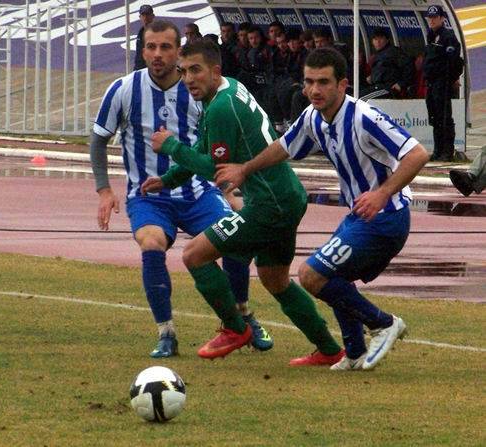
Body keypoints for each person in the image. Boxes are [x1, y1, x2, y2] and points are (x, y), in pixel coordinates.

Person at [215, 48, 430, 370]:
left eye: (324, 82)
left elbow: (417, 153)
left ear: (343, 84)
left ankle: (383, 323)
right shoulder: (314, 117)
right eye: (309, 82)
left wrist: (383, 193)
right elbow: (284, 147)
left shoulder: (363, 117)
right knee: (333, 274)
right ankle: (355, 352)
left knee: (311, 274)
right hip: (359, 216)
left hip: (386, 218)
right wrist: (245, 170)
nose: (315, 90)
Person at [141, 40, 344, 364]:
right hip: (287, 195)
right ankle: (330, 351)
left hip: (268, 204)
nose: (189, 78)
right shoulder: (228, 90)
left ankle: (235, 328)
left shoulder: (221, 108)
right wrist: (168, 180)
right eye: (183, 71)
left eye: (196, 70)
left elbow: (219, 173)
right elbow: (209, 151)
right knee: (275, 279)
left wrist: (171, 148)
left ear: (215, 70)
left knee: (195, 254)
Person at [91, 20, 273, 359]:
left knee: (233, 241)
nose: (157, 54)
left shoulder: (198, 92)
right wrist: (104, 189)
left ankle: (240, 316)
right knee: (152, 242)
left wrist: (230, 190)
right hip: (149, 198)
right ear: (142, 50)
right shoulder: (123, 89)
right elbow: (98, 139)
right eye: (150, 47)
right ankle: (167, 333)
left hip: (198, 193)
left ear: (178, 52)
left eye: (165, 47)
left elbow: (217, 148)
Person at [423, 5, 463, 162]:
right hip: (431, 82)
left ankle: (447, 151)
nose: (431, 20)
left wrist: (452, 79)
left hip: (442, 82)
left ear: (442, 18)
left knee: (445, 116)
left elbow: (454, 61)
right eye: (429, 18)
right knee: (434, 117)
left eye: (434, 17)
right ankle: (438, 150)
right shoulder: (430, 36)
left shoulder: (448, 37)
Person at [360, 27, 414, 100]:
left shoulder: (395, 52)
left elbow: (409, 67)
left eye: (381, 39)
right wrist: (372, 77)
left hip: (388, 88)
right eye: (375, 39)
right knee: (356, 96)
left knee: (361, 99)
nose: (378, 42)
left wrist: (401, 84)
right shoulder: (378, 54)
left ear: (387, 40)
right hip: (377, 87)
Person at [133, 5, 155, 71]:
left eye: (148, 14)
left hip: (151, 70)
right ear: (140, 17)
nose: (145, 17)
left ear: (153, 16)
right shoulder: (140, 32)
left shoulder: (157, 32)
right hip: (139, 69)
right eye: (143, 15)